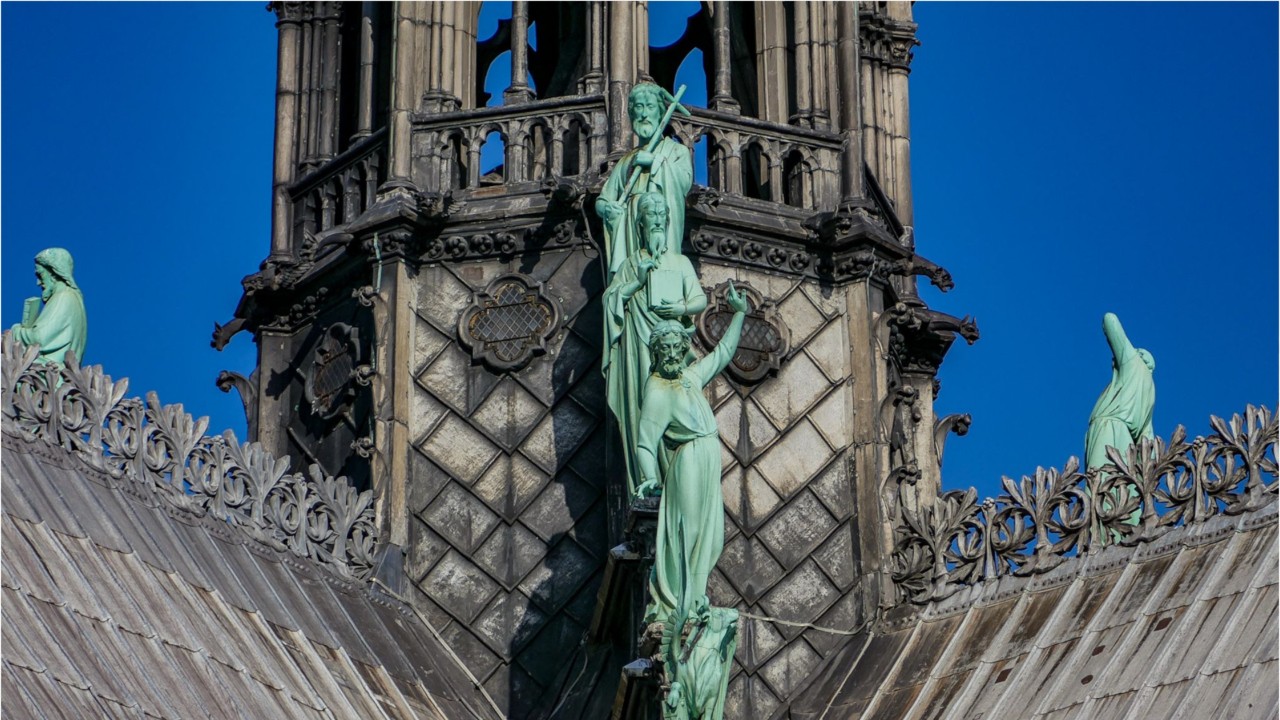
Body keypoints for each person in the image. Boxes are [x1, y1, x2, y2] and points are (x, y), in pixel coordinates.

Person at [638, 282, 748, 623]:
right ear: (656, 353)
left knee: (711, 534)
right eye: (665, 349)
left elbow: (722, 355)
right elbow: (645, 442)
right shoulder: (657, 391)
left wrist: (740, 314)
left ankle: (696, 597)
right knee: (688, 529)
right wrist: (650, 478)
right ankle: (678, 604)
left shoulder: (689, 376)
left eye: (676, 347)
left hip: (708, 454)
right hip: (686, 459)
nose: (671, 354)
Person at [603, 193, 707, 499]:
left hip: (673, 350)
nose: (658, 219)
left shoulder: (680, 262)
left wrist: (679, 310)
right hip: (638, 352)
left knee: (679, 412)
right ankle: (647, 477)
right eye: (651, 214)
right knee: (641, 408)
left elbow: (699, 299)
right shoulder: (629, 265)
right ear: (640, 224)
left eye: (662, 214)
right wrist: (637, 280)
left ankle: (677, 476)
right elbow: (611, 301)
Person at [595, 82, 692, 280]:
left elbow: (684, 183)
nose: (644, 114)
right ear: (631, 114)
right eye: (639, 107)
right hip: (630, 227)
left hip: (659, 224)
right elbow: (603, 199)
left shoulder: (677, 151)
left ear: (661, 112)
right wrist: (608, 209)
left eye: (650, 107)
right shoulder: (626, 161)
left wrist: (655, 162)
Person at [1085, 312, 1154, 534]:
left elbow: (1110, 320)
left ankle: (1097, 540)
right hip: (1128, 446)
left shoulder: (1132, 362)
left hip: (1108, 429)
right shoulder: (1151, 392)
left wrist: (1128, 350)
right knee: (1124, 493)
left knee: (1097, 489)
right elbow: (1147, 440)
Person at [9, 248, 87, 365]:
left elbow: (39, 339)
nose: (38, 282)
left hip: (47, 374)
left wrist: (15, 331)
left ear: (54, 273)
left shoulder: (65, 297)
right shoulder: (69, 298)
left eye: (40, 275)